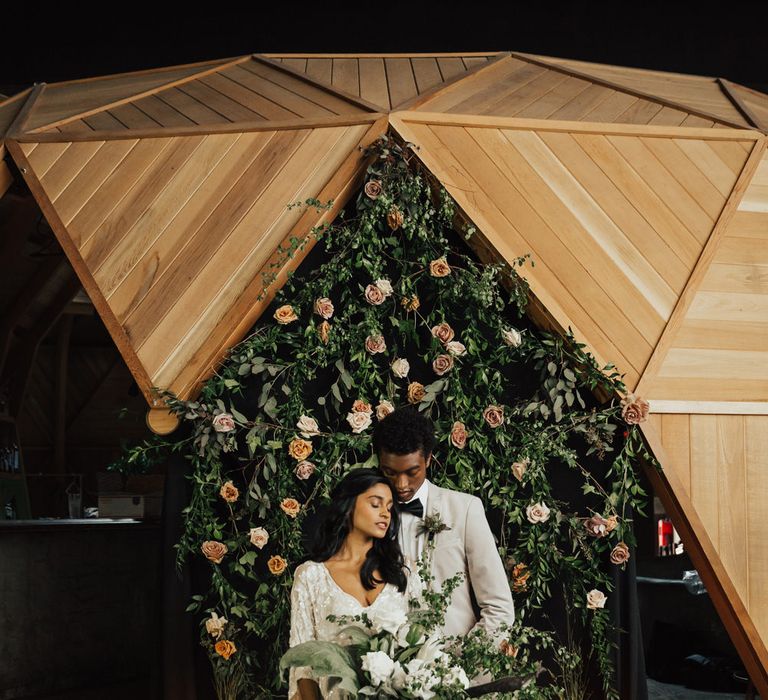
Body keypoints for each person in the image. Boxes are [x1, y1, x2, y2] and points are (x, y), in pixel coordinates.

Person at [373, 406, 515, 641]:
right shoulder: (367, 514)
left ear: (428, 459)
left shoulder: (465, 510)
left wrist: (462, 664)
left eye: (412, 472)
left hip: (456, 667)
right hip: (384, 667)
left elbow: (499, 608)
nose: (401, 484)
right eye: (390, 472)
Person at [287, 468, 421, 700]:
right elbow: (302, 663)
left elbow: (420, 647)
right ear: (348, 507)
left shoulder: (403, 573)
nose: (385, 514)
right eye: (375, 504)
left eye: (389, 507)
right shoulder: (311, 576)